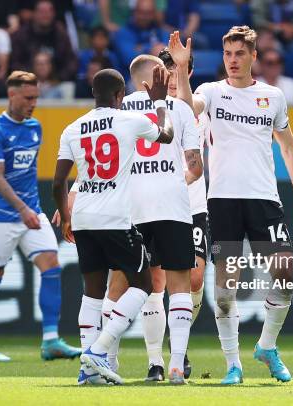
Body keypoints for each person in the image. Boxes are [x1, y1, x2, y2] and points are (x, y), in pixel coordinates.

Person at [169, 27, 293, 384]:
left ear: (253, 56)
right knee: (226, 289)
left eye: (239, 54)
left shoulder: (273, 96)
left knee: (285, 271)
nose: (232, 60)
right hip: (223, 201)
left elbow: (290, 148)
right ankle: (233, 364)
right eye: (228, 54)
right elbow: (186, 108)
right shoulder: (211, 92)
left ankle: (266, 345)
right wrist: (182, 71)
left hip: (265, 200)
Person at [52, 66, 174, 385]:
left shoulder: (72, 129)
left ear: (94, 93)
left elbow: (57, 182)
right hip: (115, 220)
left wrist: (65, 216)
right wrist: (159, 101)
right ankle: (98, 350)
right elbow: (167, 133)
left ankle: (87, 372)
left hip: (83, 221)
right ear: (121, 95)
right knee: (144, 285)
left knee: (92, 294)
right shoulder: (129, 120)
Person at [96, 54, 202, 384]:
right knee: (179, 285)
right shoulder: (180, 109)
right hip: (172, 207)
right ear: (157, 75)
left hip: (129, 210)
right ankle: (175, 365)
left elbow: (102, 164)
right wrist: (170, 180)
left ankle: (108, 360)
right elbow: (196, 167)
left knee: (121, 285)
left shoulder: (116, 112)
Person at [0, 71, 81, 362]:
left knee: (52, 266)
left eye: (36, 97)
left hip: (32, 213)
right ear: (12, 95)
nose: (33, 103)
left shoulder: (35, 127)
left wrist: (30, 210)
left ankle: (50, 341)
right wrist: (21, 210)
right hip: (0, 217)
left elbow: (28, 174)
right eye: (28, 97)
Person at [158, 47, 207, 379]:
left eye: (178, 70)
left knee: (194, 278)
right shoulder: (151, 107)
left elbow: (188, 108)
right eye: (168, 70)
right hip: (158, 203)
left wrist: (183, 64)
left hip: (193, 203)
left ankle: (180, 341)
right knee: (158, 282)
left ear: (188, 72)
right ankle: (169, 354)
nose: (173, 76)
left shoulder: (201, 98)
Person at [9, 0, 77, 85]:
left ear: (54, 13)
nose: (46, 15)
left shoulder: (61, 33)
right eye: (42, 11)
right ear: (34, 13)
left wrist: (57, 79)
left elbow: (71, 62)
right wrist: (32, 78)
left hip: (57, 84)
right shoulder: (22, 35)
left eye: (49, 11)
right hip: (27, 84)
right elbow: (15, 64)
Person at [113, 0, 169, 73]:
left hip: (158, 77)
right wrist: (151, 50)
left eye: (149, 13)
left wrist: (142, 48)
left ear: (154, 13)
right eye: (141, 12)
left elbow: (167, 54)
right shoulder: (122, 33)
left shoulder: (161, 32)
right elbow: (129, 59)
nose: (145, 17)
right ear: (134, 12)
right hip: (131, 79)